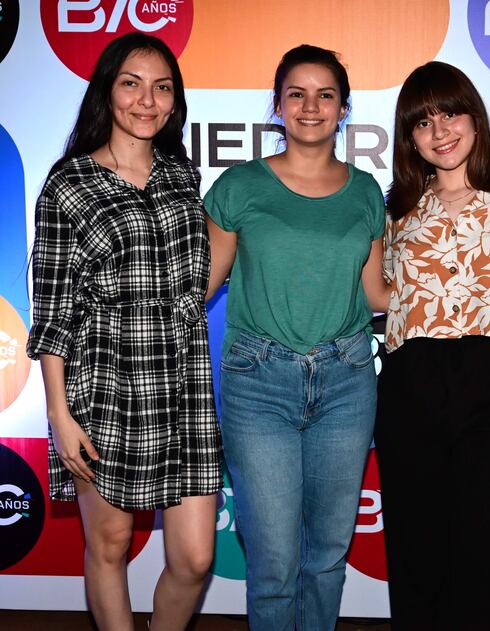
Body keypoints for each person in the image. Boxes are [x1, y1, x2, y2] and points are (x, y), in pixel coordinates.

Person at [27, 33, 222, 630]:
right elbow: (54, 309)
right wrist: (61, 414)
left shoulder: (183, 177)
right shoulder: (70, 184)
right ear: (106, 92)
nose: (147, 100)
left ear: (174, 101)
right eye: (131, 84)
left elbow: (202, 272)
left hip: (184, 387)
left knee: (194, 558)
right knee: (109, 548)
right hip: (104, 388)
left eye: (162, 87)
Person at [203, 44, 385, 631]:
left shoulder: (366, 193)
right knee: (275, 562)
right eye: (297, 94)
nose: (311, 107)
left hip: (348, 381)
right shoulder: (239, 186)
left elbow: (379, 294)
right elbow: (202, 286)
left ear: (344, 108)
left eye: (325, 95)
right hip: (259, 385)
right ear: (277, 105)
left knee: (328, 555)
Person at [374, 61, 490, 630]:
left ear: (475, 116)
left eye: (450, 112)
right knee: (417, 546)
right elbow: (378, 295)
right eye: (422, 123)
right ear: (409, 138)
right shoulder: (395, 209)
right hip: (409, 382)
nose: (439, 131)